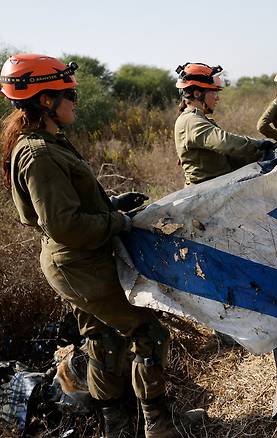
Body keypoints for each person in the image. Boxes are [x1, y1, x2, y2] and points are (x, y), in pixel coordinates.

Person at [0, 54, 178, 437]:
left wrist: (110, 205)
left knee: (102, 338)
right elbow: (64, 225)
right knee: (149, 333)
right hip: (79, 263)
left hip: (79, 260)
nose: (76, 100)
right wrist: (120, 221)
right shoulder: (39, 153)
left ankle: (117, 424)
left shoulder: (45, 142)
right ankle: (157, 424)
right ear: (45, 100)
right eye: (70, 93)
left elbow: (64, 211)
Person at [174, 63, 272, 185]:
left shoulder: (197, 118)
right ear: (197, 94)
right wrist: (257, 145)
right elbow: (224, 142)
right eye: (214, 92)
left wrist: (260, 154)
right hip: (207, 194)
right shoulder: (191, 121)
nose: (217, 98)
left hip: (217, 187)